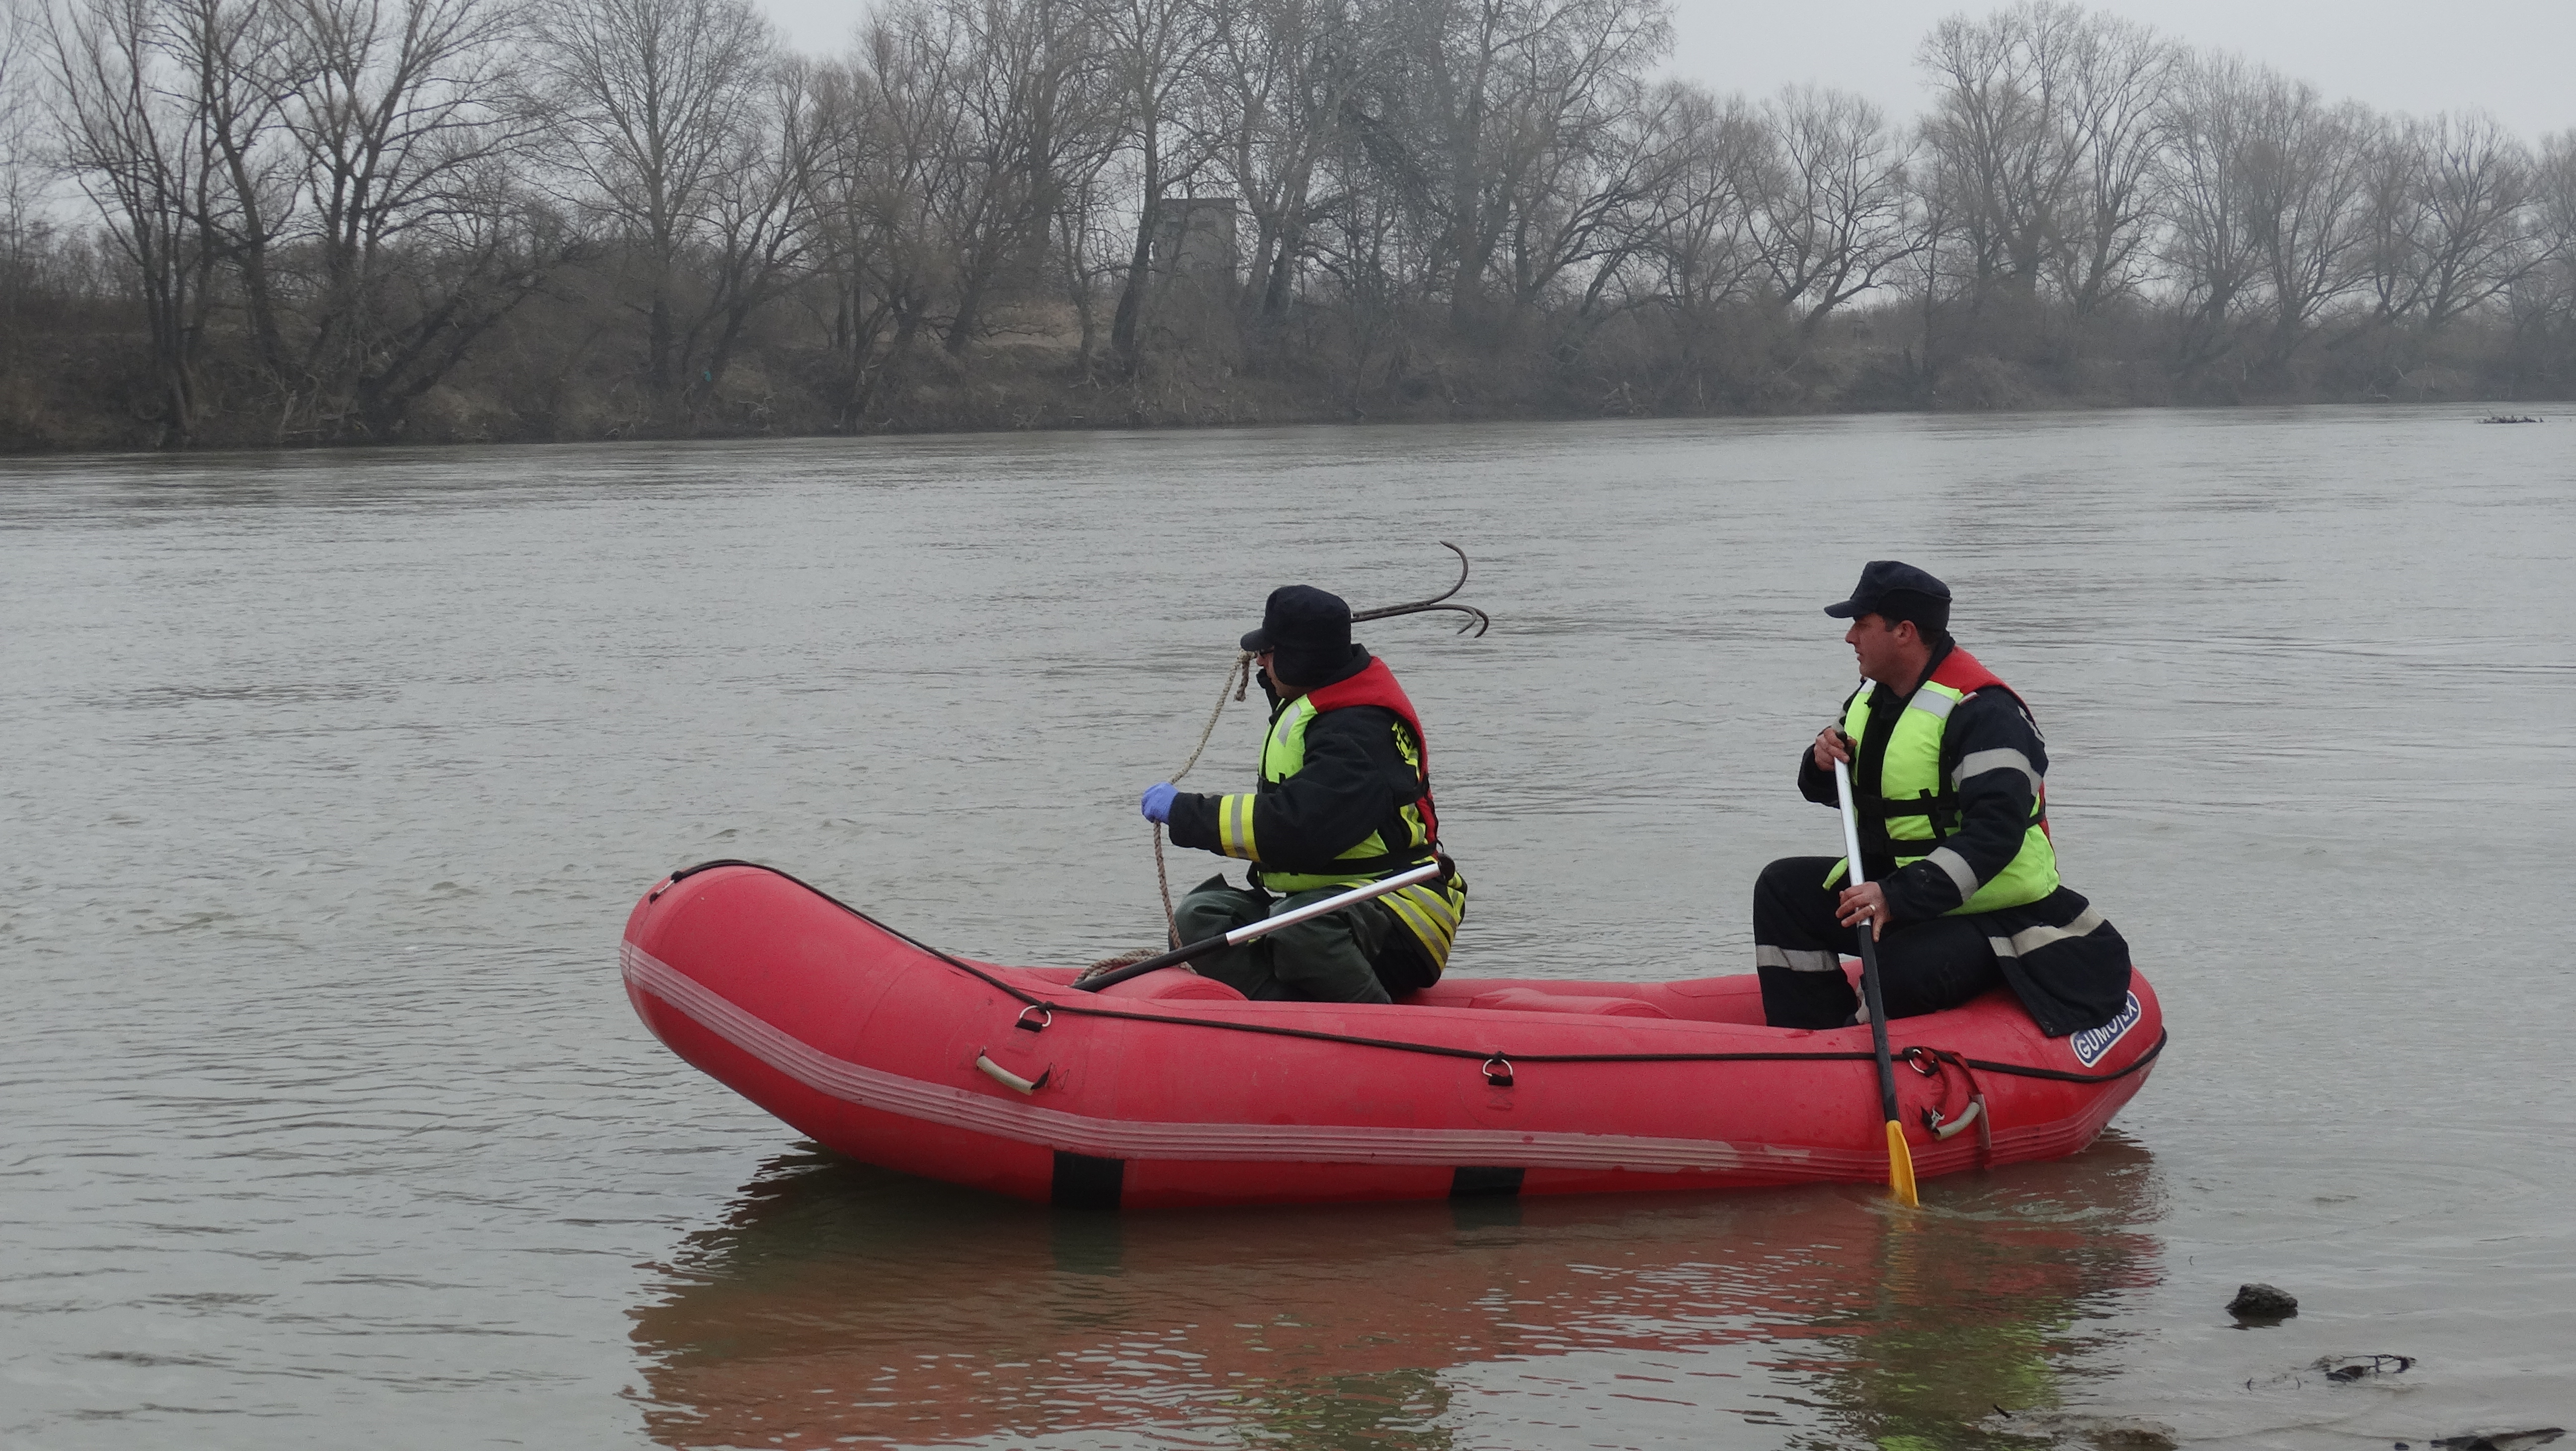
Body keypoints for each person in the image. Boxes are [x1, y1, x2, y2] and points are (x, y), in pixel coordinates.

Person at [1754, 561, 2133, 1036]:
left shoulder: (1987, 713)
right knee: (1782, 890)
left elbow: (1994, 835)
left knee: (1899, 970)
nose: (1849, 637)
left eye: (1861, 624)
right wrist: (1821, 761)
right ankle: (1808, 1040)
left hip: (1991, 911)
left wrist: (1896, 896)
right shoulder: (1871, 699)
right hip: (1901, 893)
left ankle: (1862, 1046)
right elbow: (1844, 795)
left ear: (1904, 633)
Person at [1138, 585, 1467, 1003]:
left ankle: (1378, 1038)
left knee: (1300, 925)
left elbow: (1296, 827)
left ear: (1300, 659)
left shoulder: (1359, 732)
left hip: (1402, 911)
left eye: (1269, 652)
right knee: (1199, 920)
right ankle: (1285, 1026)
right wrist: (1276, 672)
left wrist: (1186, 812)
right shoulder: (1319, 703)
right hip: (1331, 904)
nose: (1259, 660)